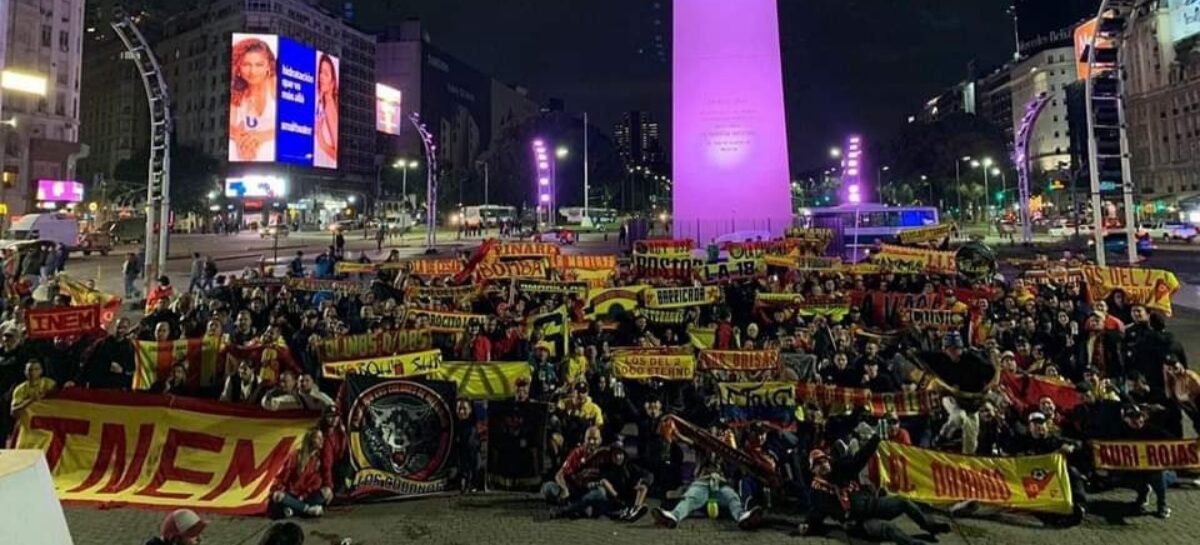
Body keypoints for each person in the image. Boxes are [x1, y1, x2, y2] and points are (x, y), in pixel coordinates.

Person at [800, 432, 950, 544]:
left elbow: (859, 459)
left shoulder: (839, 469)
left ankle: (929, 526)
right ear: (813, 470)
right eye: (818, 464)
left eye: (824, 461)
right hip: (858, 521)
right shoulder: (817, 490)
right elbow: (816, 511)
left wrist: (876, 438)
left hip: (871, 504)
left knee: (903, 502)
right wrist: (807, 524)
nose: (823, 466)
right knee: (887, 529)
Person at [651, 424, 762, 530]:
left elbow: (735, 463)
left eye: (716, 432)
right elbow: (684, 439)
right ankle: (673, 516)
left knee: (732, 498)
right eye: (711, 431)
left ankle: (742, 517)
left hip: (720, 483)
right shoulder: (701, 445)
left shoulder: (725, 449)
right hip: (703, 482)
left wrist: (732, 447)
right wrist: (675, 432)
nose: (713, 434)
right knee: (689, 498)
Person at [229, 35, 277, 161]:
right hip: (249, 153)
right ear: (238, 67)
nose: (253, 71)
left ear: (268, 66)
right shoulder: (237, 91)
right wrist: (241, 139)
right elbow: (230, 126)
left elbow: (292, 126)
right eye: (246, 64)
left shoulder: (275, 85)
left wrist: (260, 137)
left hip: (278, 154)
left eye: (259, 65)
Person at [269, 428, 332, 518]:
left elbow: (316, 483)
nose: (321, 440)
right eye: (318, 438)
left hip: (306, 496)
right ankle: (307, 510)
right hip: (292, 494)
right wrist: (279, 489)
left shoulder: (318, 460)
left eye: (322, 437)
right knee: (278, 496)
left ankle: (295, 509)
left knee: (326, 492)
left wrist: (304, 495)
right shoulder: (296, 456)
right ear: (310, 439)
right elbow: (284, 477)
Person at [314, 53, 339, 168]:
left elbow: (337, 154)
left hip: (324, 167)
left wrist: (321, 141)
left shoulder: (329, 105)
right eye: (320, 71)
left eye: (326, 73)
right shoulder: (321, 101)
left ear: (333, 82)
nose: (321, 76)